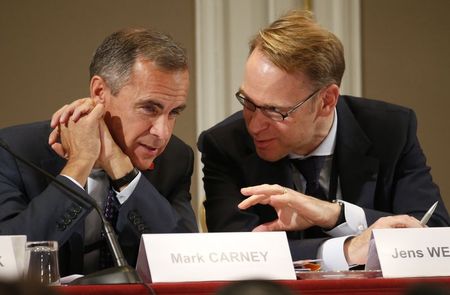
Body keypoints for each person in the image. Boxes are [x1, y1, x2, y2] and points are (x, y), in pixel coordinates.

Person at [197, 10, 450, 270]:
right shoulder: (224, 145)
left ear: (326, 101)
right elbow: (236, 253)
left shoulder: (390, 130)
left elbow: (434, 236)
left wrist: (335, 215)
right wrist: (347, 250)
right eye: (248, 102)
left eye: (275, 111)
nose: (255, 125)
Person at [0, 28, 198, 276]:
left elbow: (186, 261)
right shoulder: (13, 151)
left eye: (174, 113)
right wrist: (80, 163)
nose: (162, 132)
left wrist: (123, 172)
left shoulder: (175, 159)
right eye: (149, 108)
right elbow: (8, 264)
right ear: (99, 93)